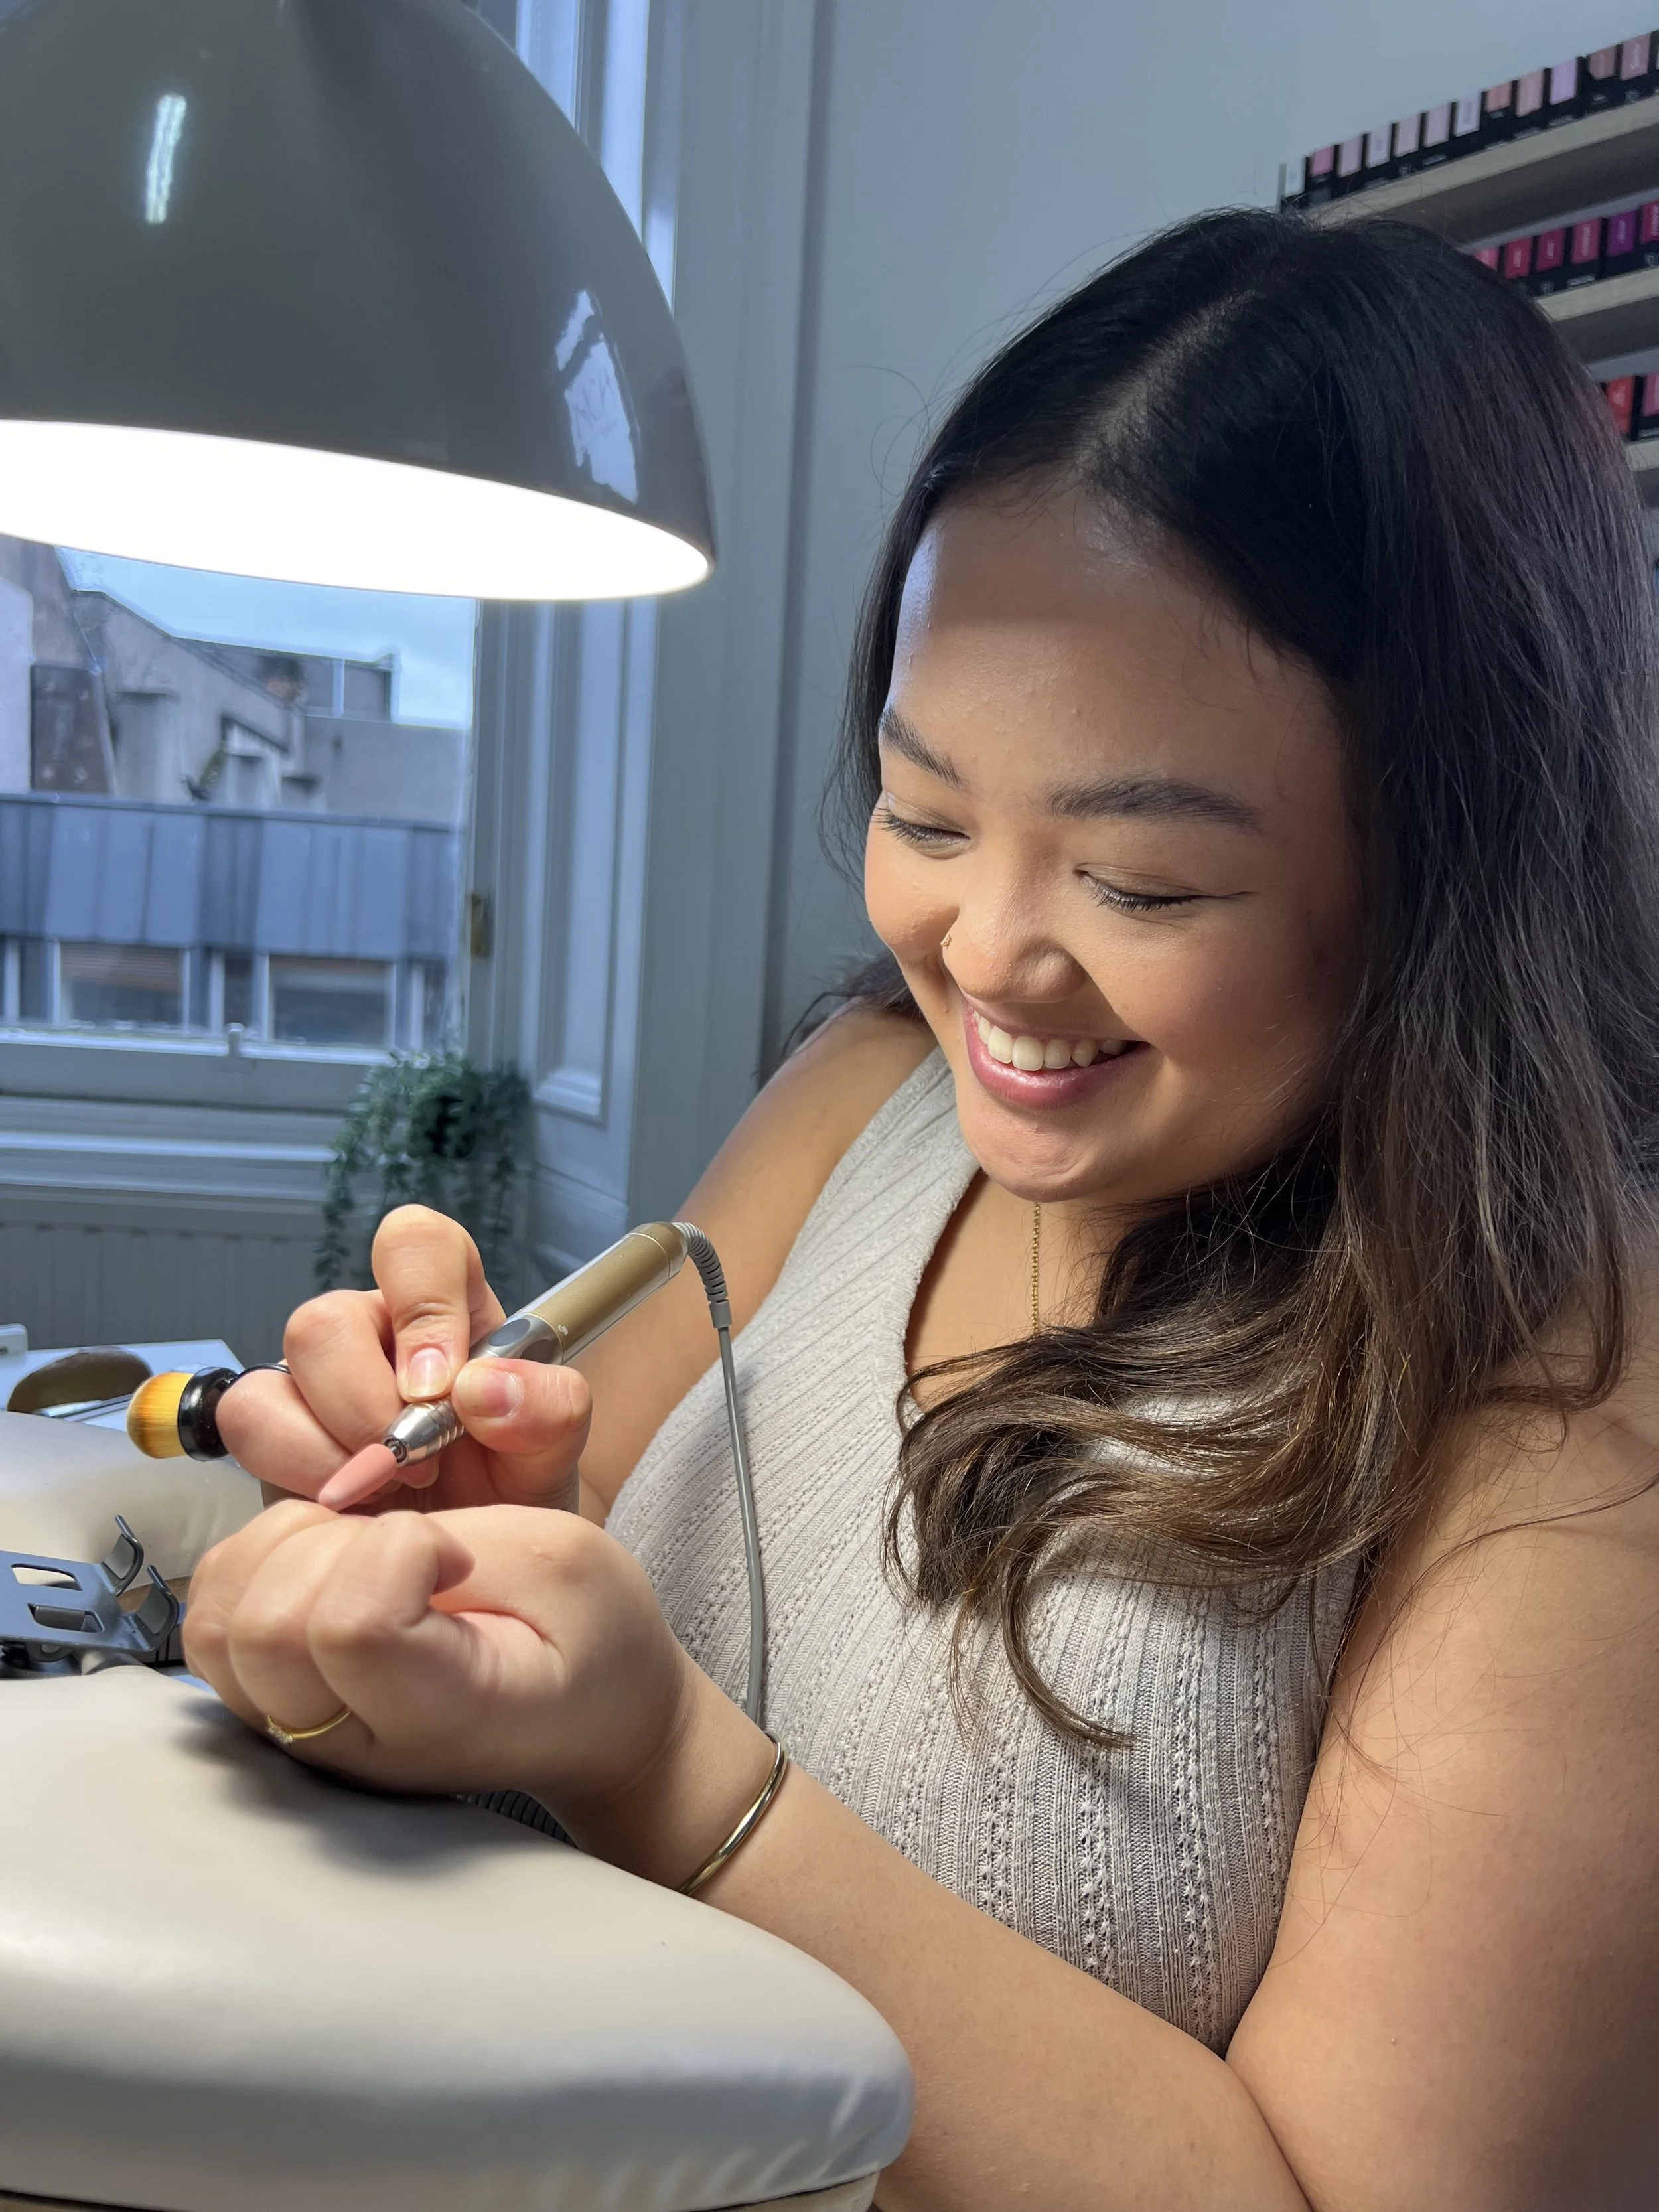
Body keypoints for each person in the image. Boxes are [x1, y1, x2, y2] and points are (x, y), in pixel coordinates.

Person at [183, 210, 1659, 2210]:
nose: (986, 957)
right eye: (924, 810)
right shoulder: (877, 1086)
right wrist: (453, 1504)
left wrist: (672, 1777)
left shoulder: (1573, 1417)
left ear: (1447, 879)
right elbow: (552, 1512)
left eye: (1139, 883)